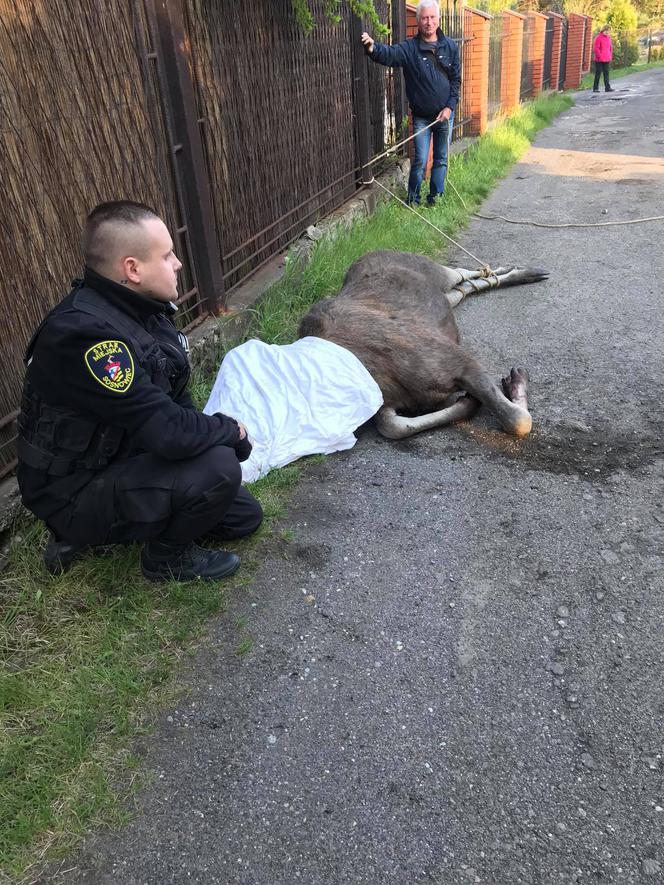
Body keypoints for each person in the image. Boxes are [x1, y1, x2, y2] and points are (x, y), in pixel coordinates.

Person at [17, 201, 263, 581]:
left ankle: (136, 520)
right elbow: (167, 431)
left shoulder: (144, 312)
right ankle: (161, 558)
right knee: (218, 470)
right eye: (166, 256)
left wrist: (213, 436)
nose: (178, 263)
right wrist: (229, 431)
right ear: (132, 269)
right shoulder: (85, 336)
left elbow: (175, 403)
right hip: (71, 490)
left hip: (121, 456)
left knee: (243, 515)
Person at [361, 0, 461, 207]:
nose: (429, 22)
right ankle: (413, 201)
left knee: (441, 159)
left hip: (444, 116)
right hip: (422, 118)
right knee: (420, 160)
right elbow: (389, 54)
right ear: (417, 21)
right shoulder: (409, 49)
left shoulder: (450, 47)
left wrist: (449, 108)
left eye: (432, 17)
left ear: (438, 19)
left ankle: (435, 199)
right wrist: (373, 48)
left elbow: (456, 82)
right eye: (424, 18)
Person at [593, 25, 614, 93]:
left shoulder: (609, 38)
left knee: (606, 73)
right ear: (603, 30)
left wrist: (610, 56)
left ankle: (607, 88)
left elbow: (610, 48)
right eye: (606, 31)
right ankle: (595, 88)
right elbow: (596, 48)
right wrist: (599, 56)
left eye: (608, 31)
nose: (607, 32)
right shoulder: (598, 38)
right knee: (598, 73)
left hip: (607, 58)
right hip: (599, 59)